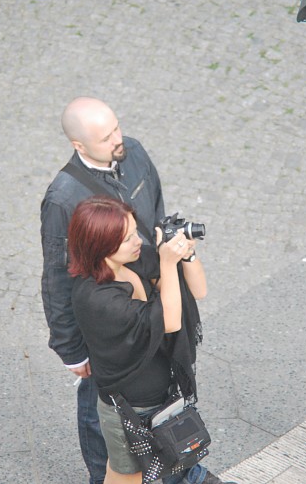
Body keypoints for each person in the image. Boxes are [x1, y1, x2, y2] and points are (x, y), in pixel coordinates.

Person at [40, 97, 237, 484]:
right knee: (107, 424)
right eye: (106, 135)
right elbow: (56, 277)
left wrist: (175, 252)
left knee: (151, 426)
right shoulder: (63, 199)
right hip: (115, 344)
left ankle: (176, 471)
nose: (118, 138)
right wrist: (70, 350)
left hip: (149, 318)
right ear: (79, 145)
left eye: (116, 127)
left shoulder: (133, 153)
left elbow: (158, 222)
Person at [68, 195, 207, 484]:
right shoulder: (96, 297)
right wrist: (167, 264)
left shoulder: (134, 259)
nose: (137, 241)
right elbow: (169, 321)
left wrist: (188, 255)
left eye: (135, 232)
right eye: (127, 237)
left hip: (161, 398)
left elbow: (198, 291)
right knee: (127, 478)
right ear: (100, 245)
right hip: (128, 410)